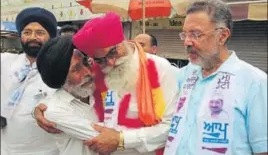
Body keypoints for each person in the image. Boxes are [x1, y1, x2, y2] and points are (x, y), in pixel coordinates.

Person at [34, 12, 179, 155]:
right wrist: (42, 109)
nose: (110, 62)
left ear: (122, 40)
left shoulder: (160, 69)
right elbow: (66, 92)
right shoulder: (97, 71)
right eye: (100, 59)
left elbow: (172, 126)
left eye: (113, 51)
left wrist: (122, 139)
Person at [164, 0, 267, 155]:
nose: (186, 42)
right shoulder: (184, 74)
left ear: (222, 35)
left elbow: (262, 149)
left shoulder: (254, 81)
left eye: (196, 34)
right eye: (184, 34)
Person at [1, 7, 59, 155]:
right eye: (27, 32)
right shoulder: (6, 61)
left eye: (40, 32)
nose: (33, 37)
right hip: (6, 149)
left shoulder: (61, 68)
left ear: (51, 37)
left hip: (47, 151)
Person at [36, 35, 99, 155]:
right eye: (76, 69)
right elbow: (109, 138)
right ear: (61, 78)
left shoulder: (100, 92)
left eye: (86, 62)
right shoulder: (56, 110)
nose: (87, 72)